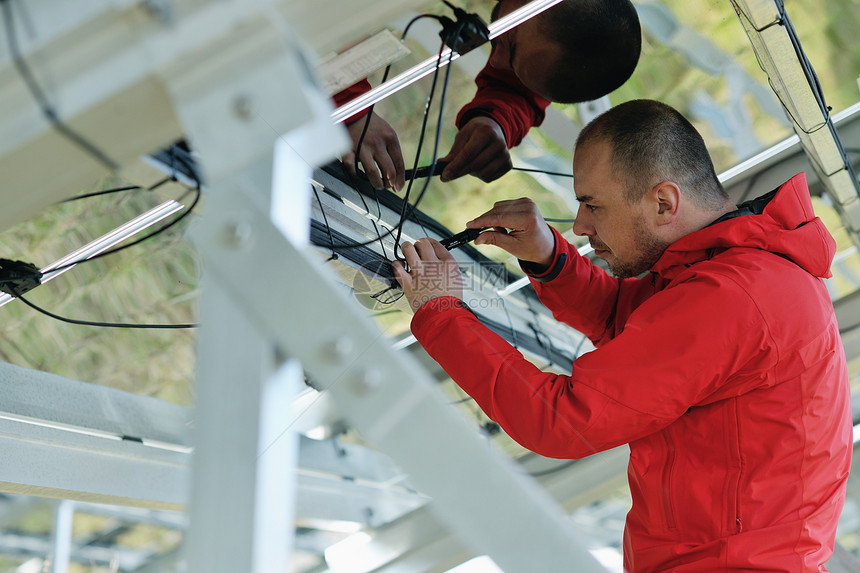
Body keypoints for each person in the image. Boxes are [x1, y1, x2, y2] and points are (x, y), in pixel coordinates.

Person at [392, 99, 853, 571]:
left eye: (593, 205)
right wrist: (549, 257)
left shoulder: (735, 296)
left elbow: (560, 419)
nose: (580, 226)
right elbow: (634, 321)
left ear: (663, 202)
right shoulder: (731, 270)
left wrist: (441, 311)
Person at [334, 0, 641, 190]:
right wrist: (350, 104)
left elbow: (521, 91)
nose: (494, 60)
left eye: (516, 64)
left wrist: (495, 121)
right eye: (510, 43)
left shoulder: (540, 29)